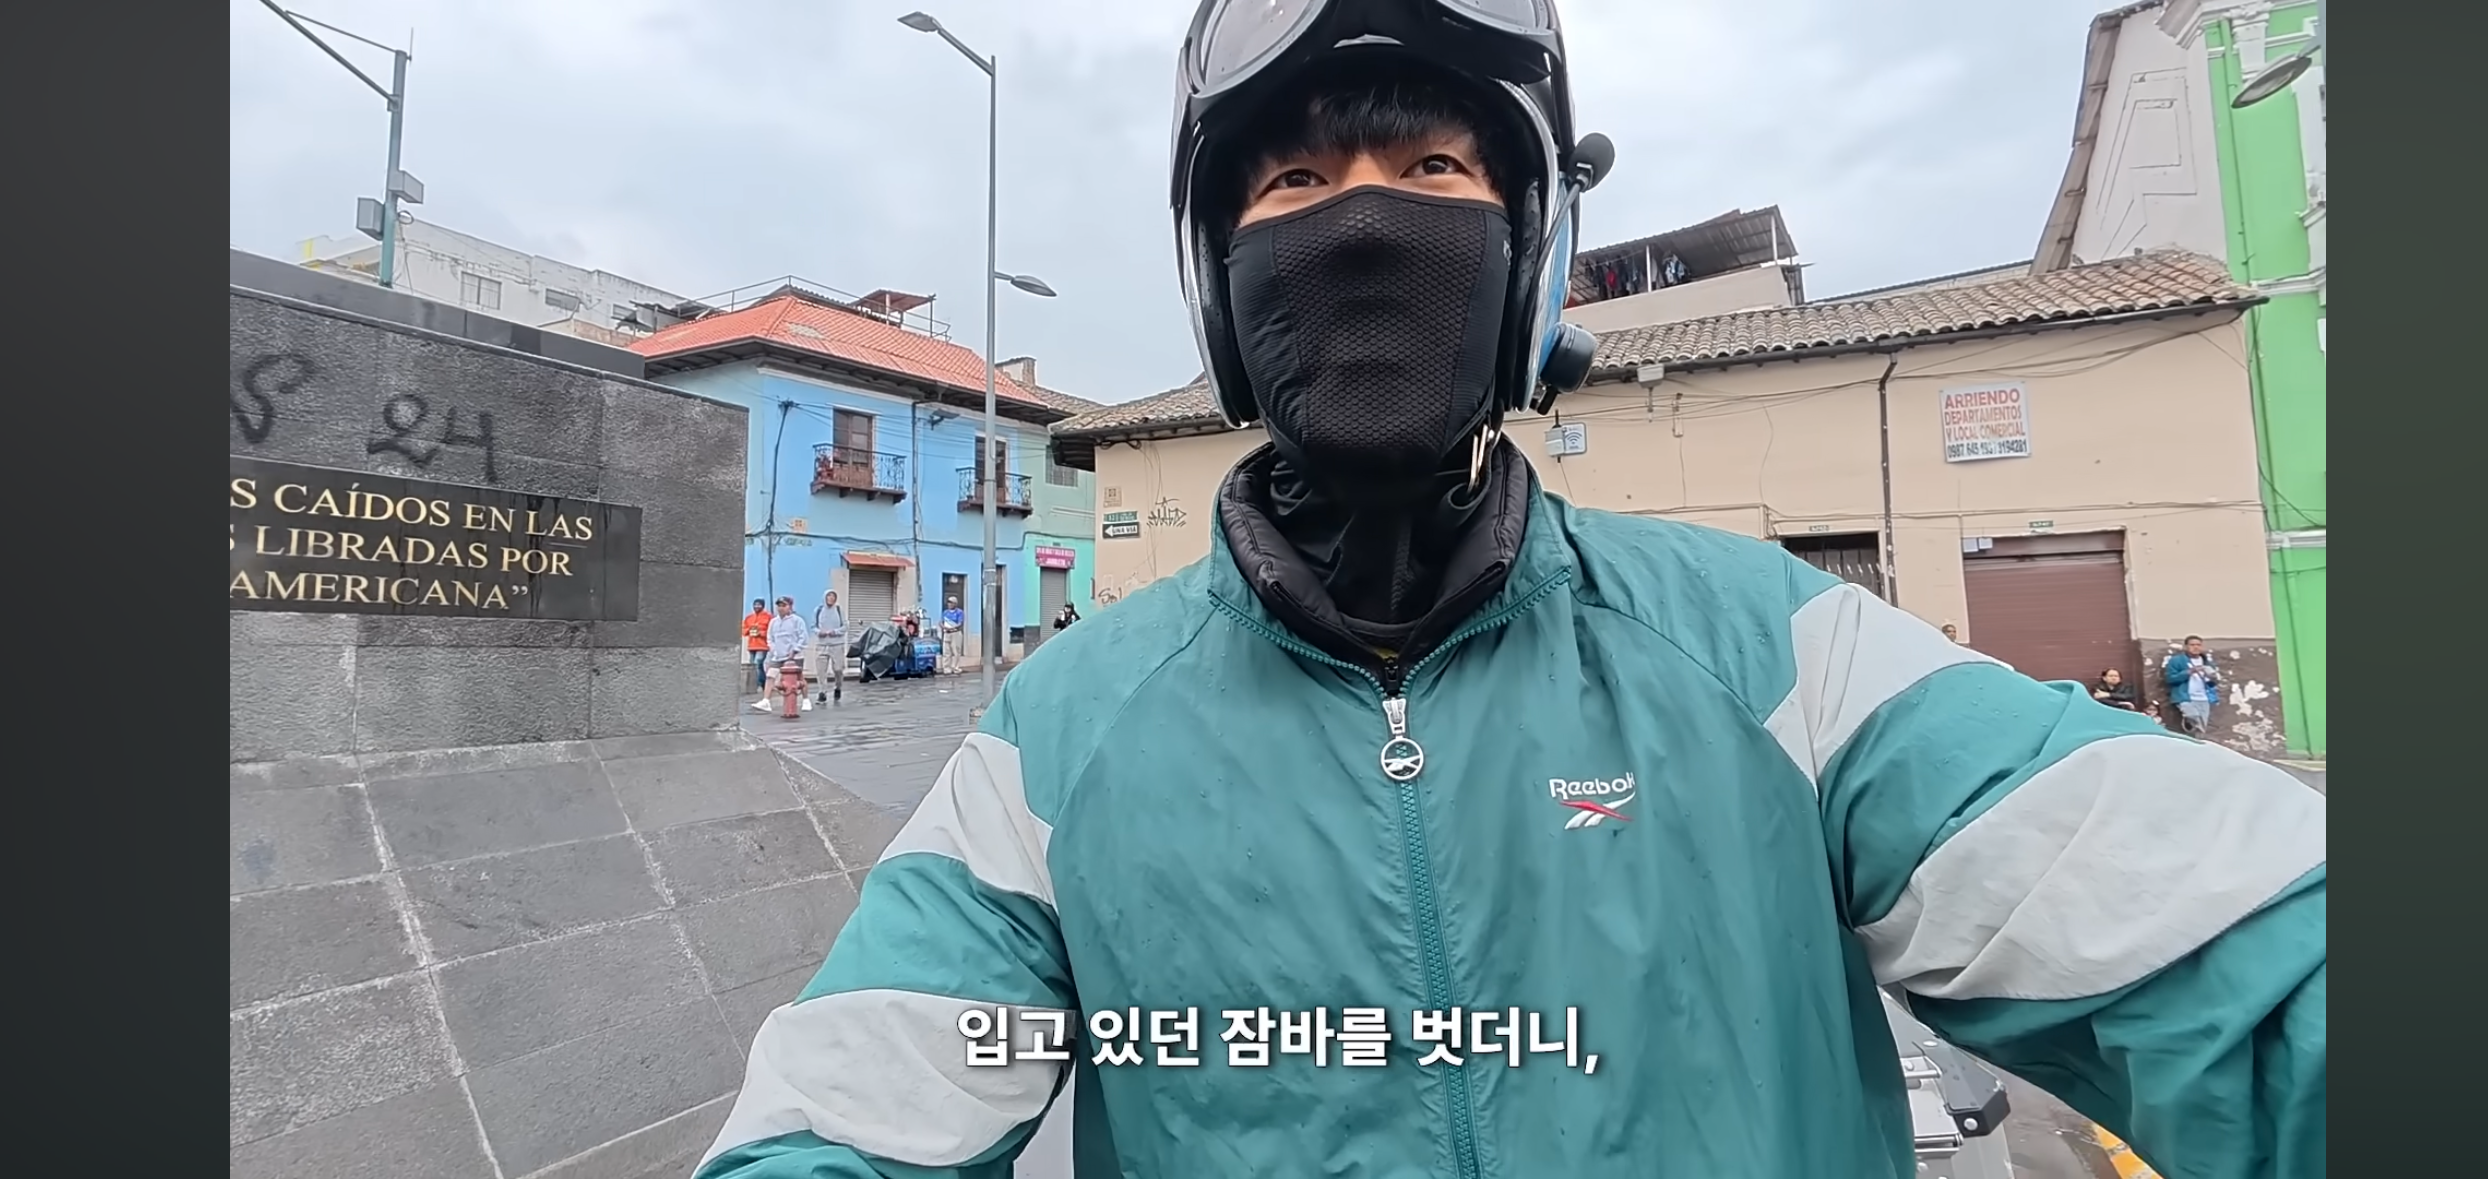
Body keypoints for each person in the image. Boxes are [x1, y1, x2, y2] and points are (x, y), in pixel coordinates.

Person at [696, 4, 2324, 1178]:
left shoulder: (1776, 653)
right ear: (1219, 281)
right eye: (1292, 183)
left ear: (1530, 254)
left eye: (1431, 163)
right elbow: (862, 1089)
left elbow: (2239, 954)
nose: (1364, 224)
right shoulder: (1061, 733)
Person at [753, 597, 808, 714]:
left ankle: (806, 699)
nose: (781, 608)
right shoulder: (774, 622)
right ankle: (766, 701)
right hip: (778, 655)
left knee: (799, 678)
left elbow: (803, 638)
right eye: (779, 606)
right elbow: (770, 638)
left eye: (784, 605)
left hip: (794, 656)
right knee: (770, 675)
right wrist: (774, 650)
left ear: (790, 607)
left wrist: (795, 650)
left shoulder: (797, 621)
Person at [2162, 634, 2223, 736]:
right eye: (2192, 645)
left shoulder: (2206, 662)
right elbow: (2170, 679)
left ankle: (2197, 740)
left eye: (2198, 645)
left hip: (2204, 697)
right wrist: (2188, 672)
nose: (2195, 647)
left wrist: (2213, 677)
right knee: (2192, 715)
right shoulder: (2177, 661)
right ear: (2186, 646)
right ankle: (2192, 734)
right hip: (2185, 697)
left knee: (2202, 726)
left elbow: (2213, 682)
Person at [808, 591, 850, 707]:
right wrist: (819, 632)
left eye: (833, 597)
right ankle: (822, 692)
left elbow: (845, 626)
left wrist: (835, 632)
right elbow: (813, 626)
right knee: (821, 670)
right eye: (829, 596)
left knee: (838, 669)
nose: (831, 599)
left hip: (837, 644)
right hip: (822, 645)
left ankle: (838, 687)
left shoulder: (839, 610)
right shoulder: (818, 610)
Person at [739, 599, 772, 696]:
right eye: (755, 605)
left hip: (763, 645)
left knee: (757, 663)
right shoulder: (749, 617)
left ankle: (756, 685)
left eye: (759, 605)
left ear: (763, 606)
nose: (757, 606)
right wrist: (749, 630)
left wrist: (760, 633)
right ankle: (763, 683)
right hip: (752, 645)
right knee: (755, 666)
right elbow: (743, 630)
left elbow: (771, 631)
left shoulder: (768, 617)